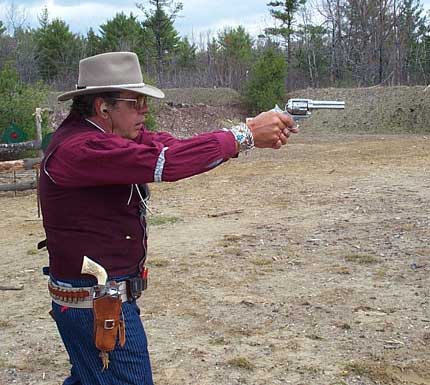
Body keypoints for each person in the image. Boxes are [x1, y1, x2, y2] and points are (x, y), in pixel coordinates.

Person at [39, 51, 298, 385]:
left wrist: (242, 135)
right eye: (135, 101)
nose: (145, 109)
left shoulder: (106, 137)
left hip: (96, 302)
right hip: (95, 307)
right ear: (103, 107)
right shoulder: (81, 149)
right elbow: (168, 162)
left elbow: (172, 148)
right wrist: (245, 135)